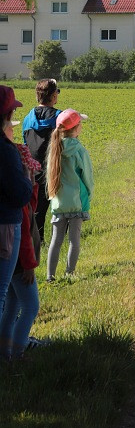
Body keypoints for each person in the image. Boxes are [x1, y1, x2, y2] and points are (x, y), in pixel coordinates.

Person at [0, 128, 41, 362]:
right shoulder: (16, 204)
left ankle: (5, 352)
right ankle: (18, 351)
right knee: (30, 306)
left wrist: (31, 186)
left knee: (13, 304)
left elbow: (31, 206)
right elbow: (25, 235)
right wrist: (29, 265)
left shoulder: (20, 197)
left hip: (17, 262)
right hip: (21, 264)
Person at [46, 109, 94, 280]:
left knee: (55, 240)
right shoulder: (79, 150)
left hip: (58, 203)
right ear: (76, 127)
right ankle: (69, 273)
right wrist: (89, 193)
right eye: (80, 123)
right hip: (76, 202)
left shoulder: (54, 148)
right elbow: (87, 176)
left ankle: (50, 276)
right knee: (74, 240)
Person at [0, 87, 34, 331]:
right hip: (5, 226)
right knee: (1, 292)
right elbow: (20, 195)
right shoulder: (6, 150)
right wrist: (27, 176)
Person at [22, 77, 63, 243]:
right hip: (55, 170)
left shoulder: (27, 119)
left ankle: (38, 242)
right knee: (60, 209)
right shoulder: (60, 117)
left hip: (34, 172)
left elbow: (25, 146)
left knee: (37, 210)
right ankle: (58, 240)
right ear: (53, 96)